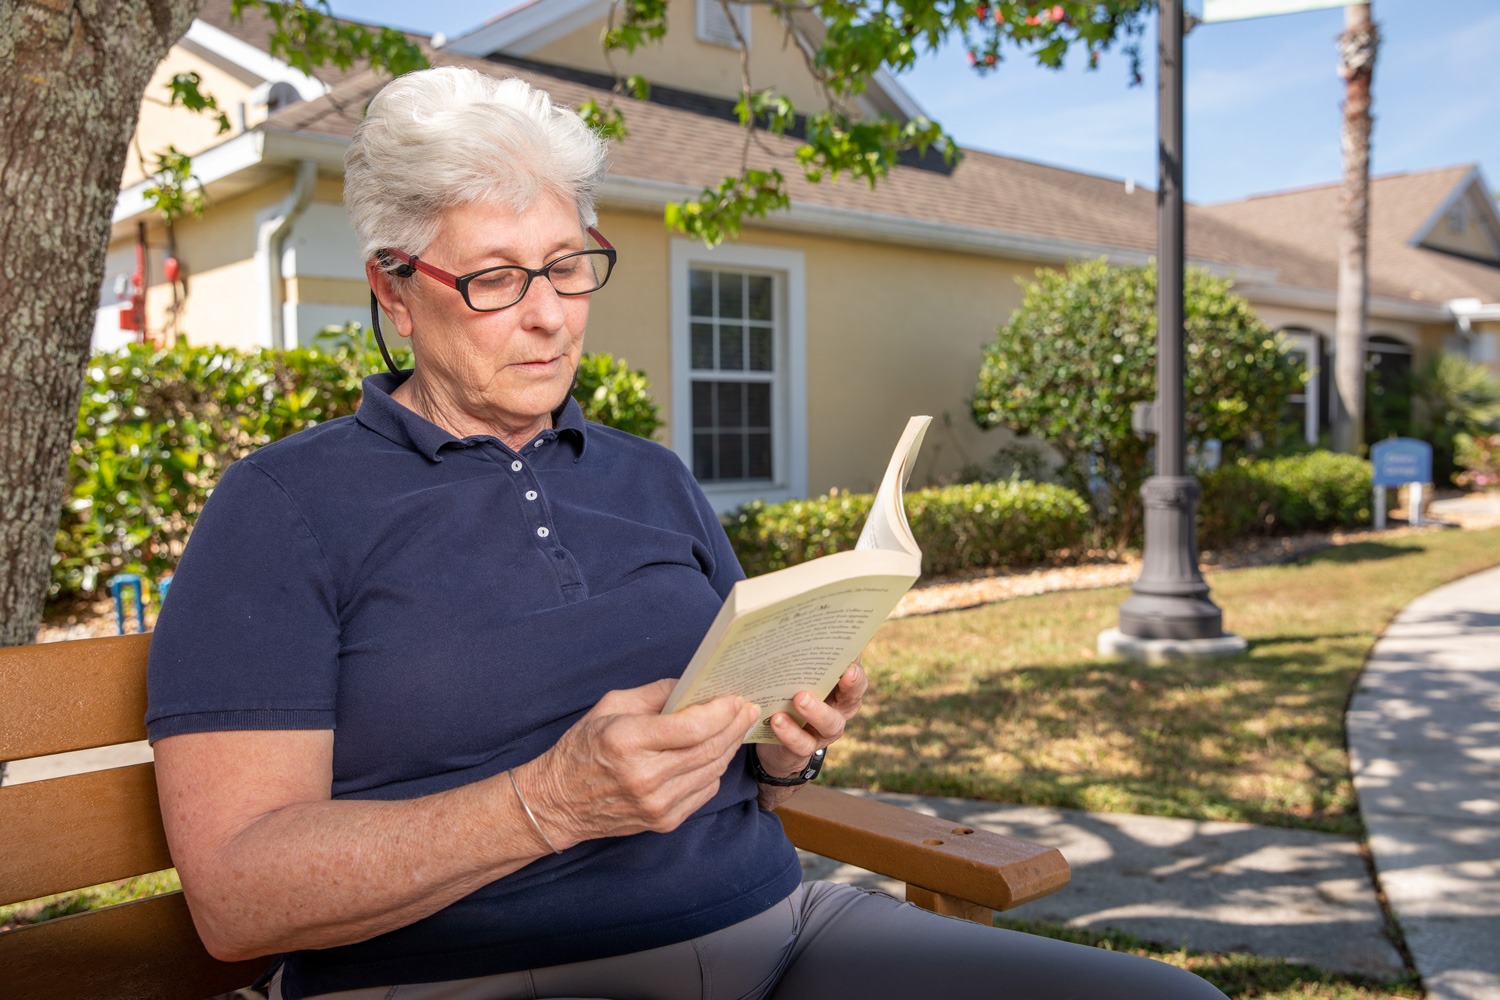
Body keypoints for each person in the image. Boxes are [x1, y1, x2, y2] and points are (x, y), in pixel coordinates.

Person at [147, 66, 1227, 1000]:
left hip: (778, 936)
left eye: (570, 263)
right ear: (393, 288)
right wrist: (545, 803)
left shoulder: (650, 476)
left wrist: (785, 743)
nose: (551, 313)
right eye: (494, 277)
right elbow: (239, 897)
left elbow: (742, 745)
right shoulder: (283, 509)